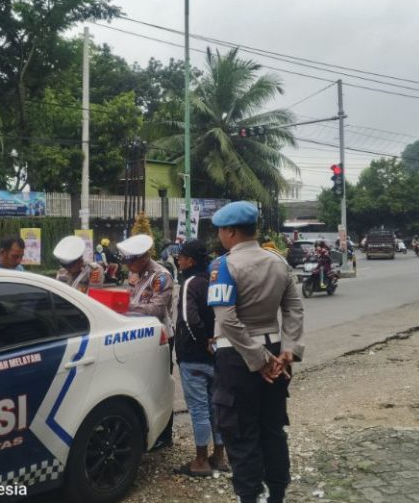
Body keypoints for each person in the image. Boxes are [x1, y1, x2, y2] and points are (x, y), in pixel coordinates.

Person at [208, 201, 304, 503]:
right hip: (277, 353)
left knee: (241, 432)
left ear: (231, 231)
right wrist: (289, 349)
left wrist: (258, 360)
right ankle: (277, 495)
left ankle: (249, 497)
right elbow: (293, 308)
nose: (221, 236)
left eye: (222, 230)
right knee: (272, 429)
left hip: (238, 358)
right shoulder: (278, 261)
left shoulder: (222, 266)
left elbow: (227, 320)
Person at [172, 239, 228, 477]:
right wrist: (214, 342)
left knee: (198, 409)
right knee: (216, 406)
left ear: (190, 261)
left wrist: (203, 341)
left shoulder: (190, 284)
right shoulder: (212, 282)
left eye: (181, 257)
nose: (178, 260)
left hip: (195, 356)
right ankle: (220, 456)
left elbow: (188, 318)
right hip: (216, 354)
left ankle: (201, 460)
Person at [117, 233, 175, 447]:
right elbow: (130, 296)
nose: (126, 265)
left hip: (160, 337)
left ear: (143, 258)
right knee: (141, 385)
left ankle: (165, 435)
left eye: (129, 260)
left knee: (160, 385)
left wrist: (125, 306)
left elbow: (157, 310)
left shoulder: (161, 276)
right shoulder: (135, 274)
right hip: (137, 336)